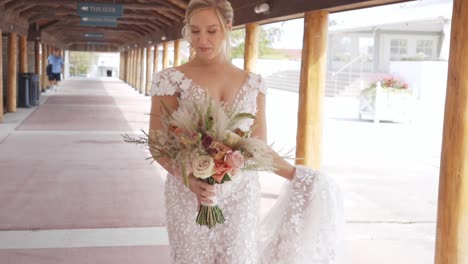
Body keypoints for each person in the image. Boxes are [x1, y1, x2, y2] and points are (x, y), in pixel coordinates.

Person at [149, 0, 343, 263]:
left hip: (241, 194)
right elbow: (158, 143)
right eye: (194, 31)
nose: (202, 39)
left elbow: (256, 146)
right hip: (189, 193)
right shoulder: (169, 79)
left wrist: (296, 175)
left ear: (228, 27)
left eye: (212, 30)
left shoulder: (254, 83)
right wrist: (189, 180)